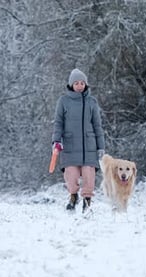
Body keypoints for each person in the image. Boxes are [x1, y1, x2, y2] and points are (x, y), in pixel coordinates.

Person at [51, 68, 105, 213]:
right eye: (76, 83)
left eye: (82, 83)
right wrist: (56, 141)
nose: (80, 86)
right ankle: (73, 196)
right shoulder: (63, 101)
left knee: (89, 175)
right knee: (71, 174)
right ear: (71, 85)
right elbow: (58, 122)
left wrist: (101, 147)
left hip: (89, 145)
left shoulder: (91, 102)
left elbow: (97, 125)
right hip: (69, 145)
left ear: (85, 84)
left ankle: (87, 201)